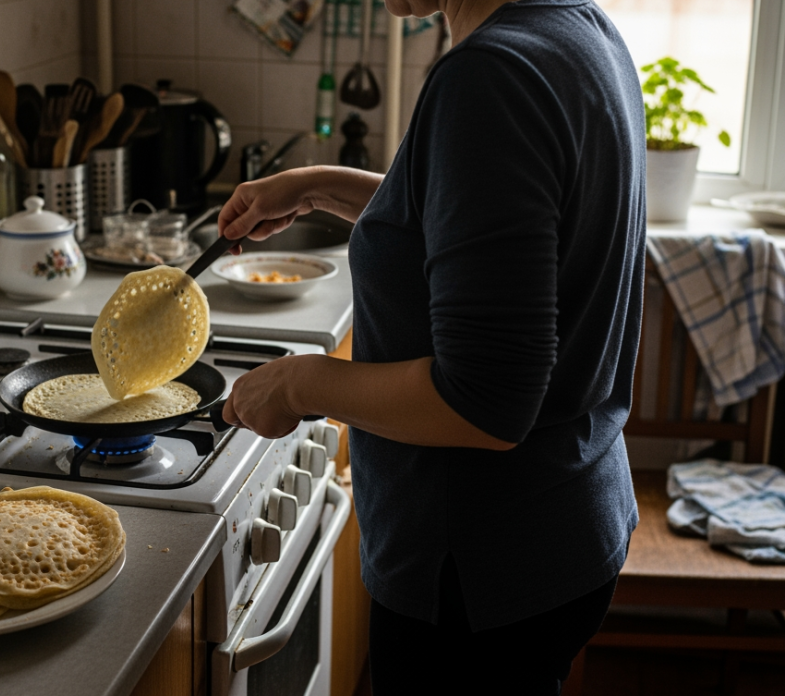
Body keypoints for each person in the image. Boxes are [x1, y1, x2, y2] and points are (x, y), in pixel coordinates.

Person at [216, 0, 645, 693]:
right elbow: (481, 226)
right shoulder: (574, 28)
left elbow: (483, 402)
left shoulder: (488, 76)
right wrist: (320, 186)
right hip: (562, 525)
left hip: (478, 571)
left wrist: (300, 386)